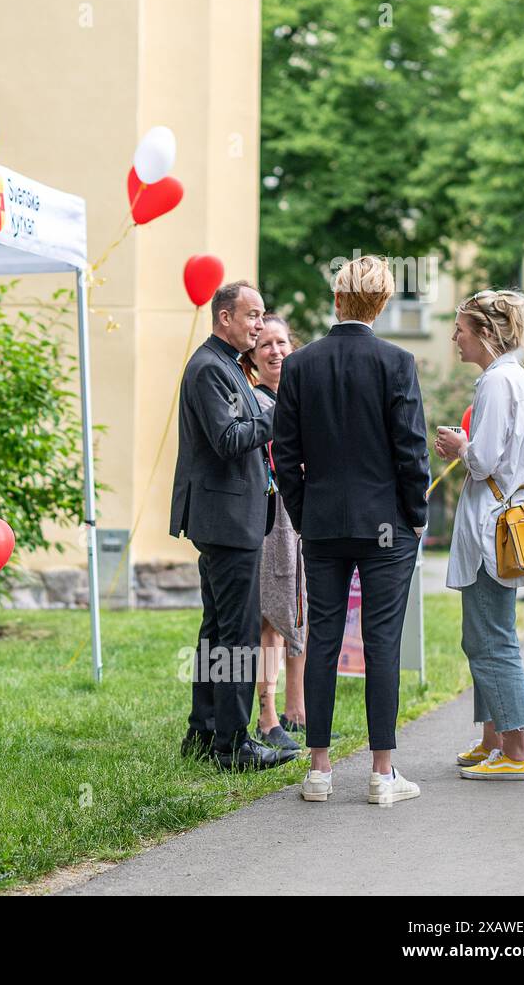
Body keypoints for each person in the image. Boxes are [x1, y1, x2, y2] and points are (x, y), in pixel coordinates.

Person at [272, 255, 430, 805]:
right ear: (382, 305)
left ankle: (318, 770)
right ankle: (382, 774)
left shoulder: (299, 365)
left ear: (337, 299)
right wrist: (417, 515)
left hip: (322, 525)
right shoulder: (398, 361)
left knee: (324, 638)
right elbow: (411, 449)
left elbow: (284, 455)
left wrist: (304, 507)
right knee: (382, 643)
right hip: (387, 525)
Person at [170, 281, 297, 772]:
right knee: (238, 635)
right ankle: (233, 745)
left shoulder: (227, 367)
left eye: (263, 315)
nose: (260, 325)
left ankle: (203, 733)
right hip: (225, 520)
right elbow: (228, 438)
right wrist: (281, 412)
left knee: (216, 631)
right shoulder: (208, 369)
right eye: (253, 315)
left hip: (232, 517)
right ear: (225, 317)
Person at [434, 289, 524, 781]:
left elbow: (483, 461)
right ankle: (493, 740)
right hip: (516, 523)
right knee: (483, 634)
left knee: (491, 638)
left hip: (493, 529)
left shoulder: (495, 383)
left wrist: (459, 444)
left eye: (461, 330)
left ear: (486, 334)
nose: (454, 338)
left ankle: (515, 749)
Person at [241, 314, 304, 753]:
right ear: (252, 356)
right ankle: (267, 715)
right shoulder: (255, 402)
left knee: (300, 607)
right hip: (271, 513)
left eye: (282, 342)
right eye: (265, 344)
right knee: (269, 617)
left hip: (302, 514)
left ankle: (295, 711)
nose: (276, 350)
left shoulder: (300, 400)